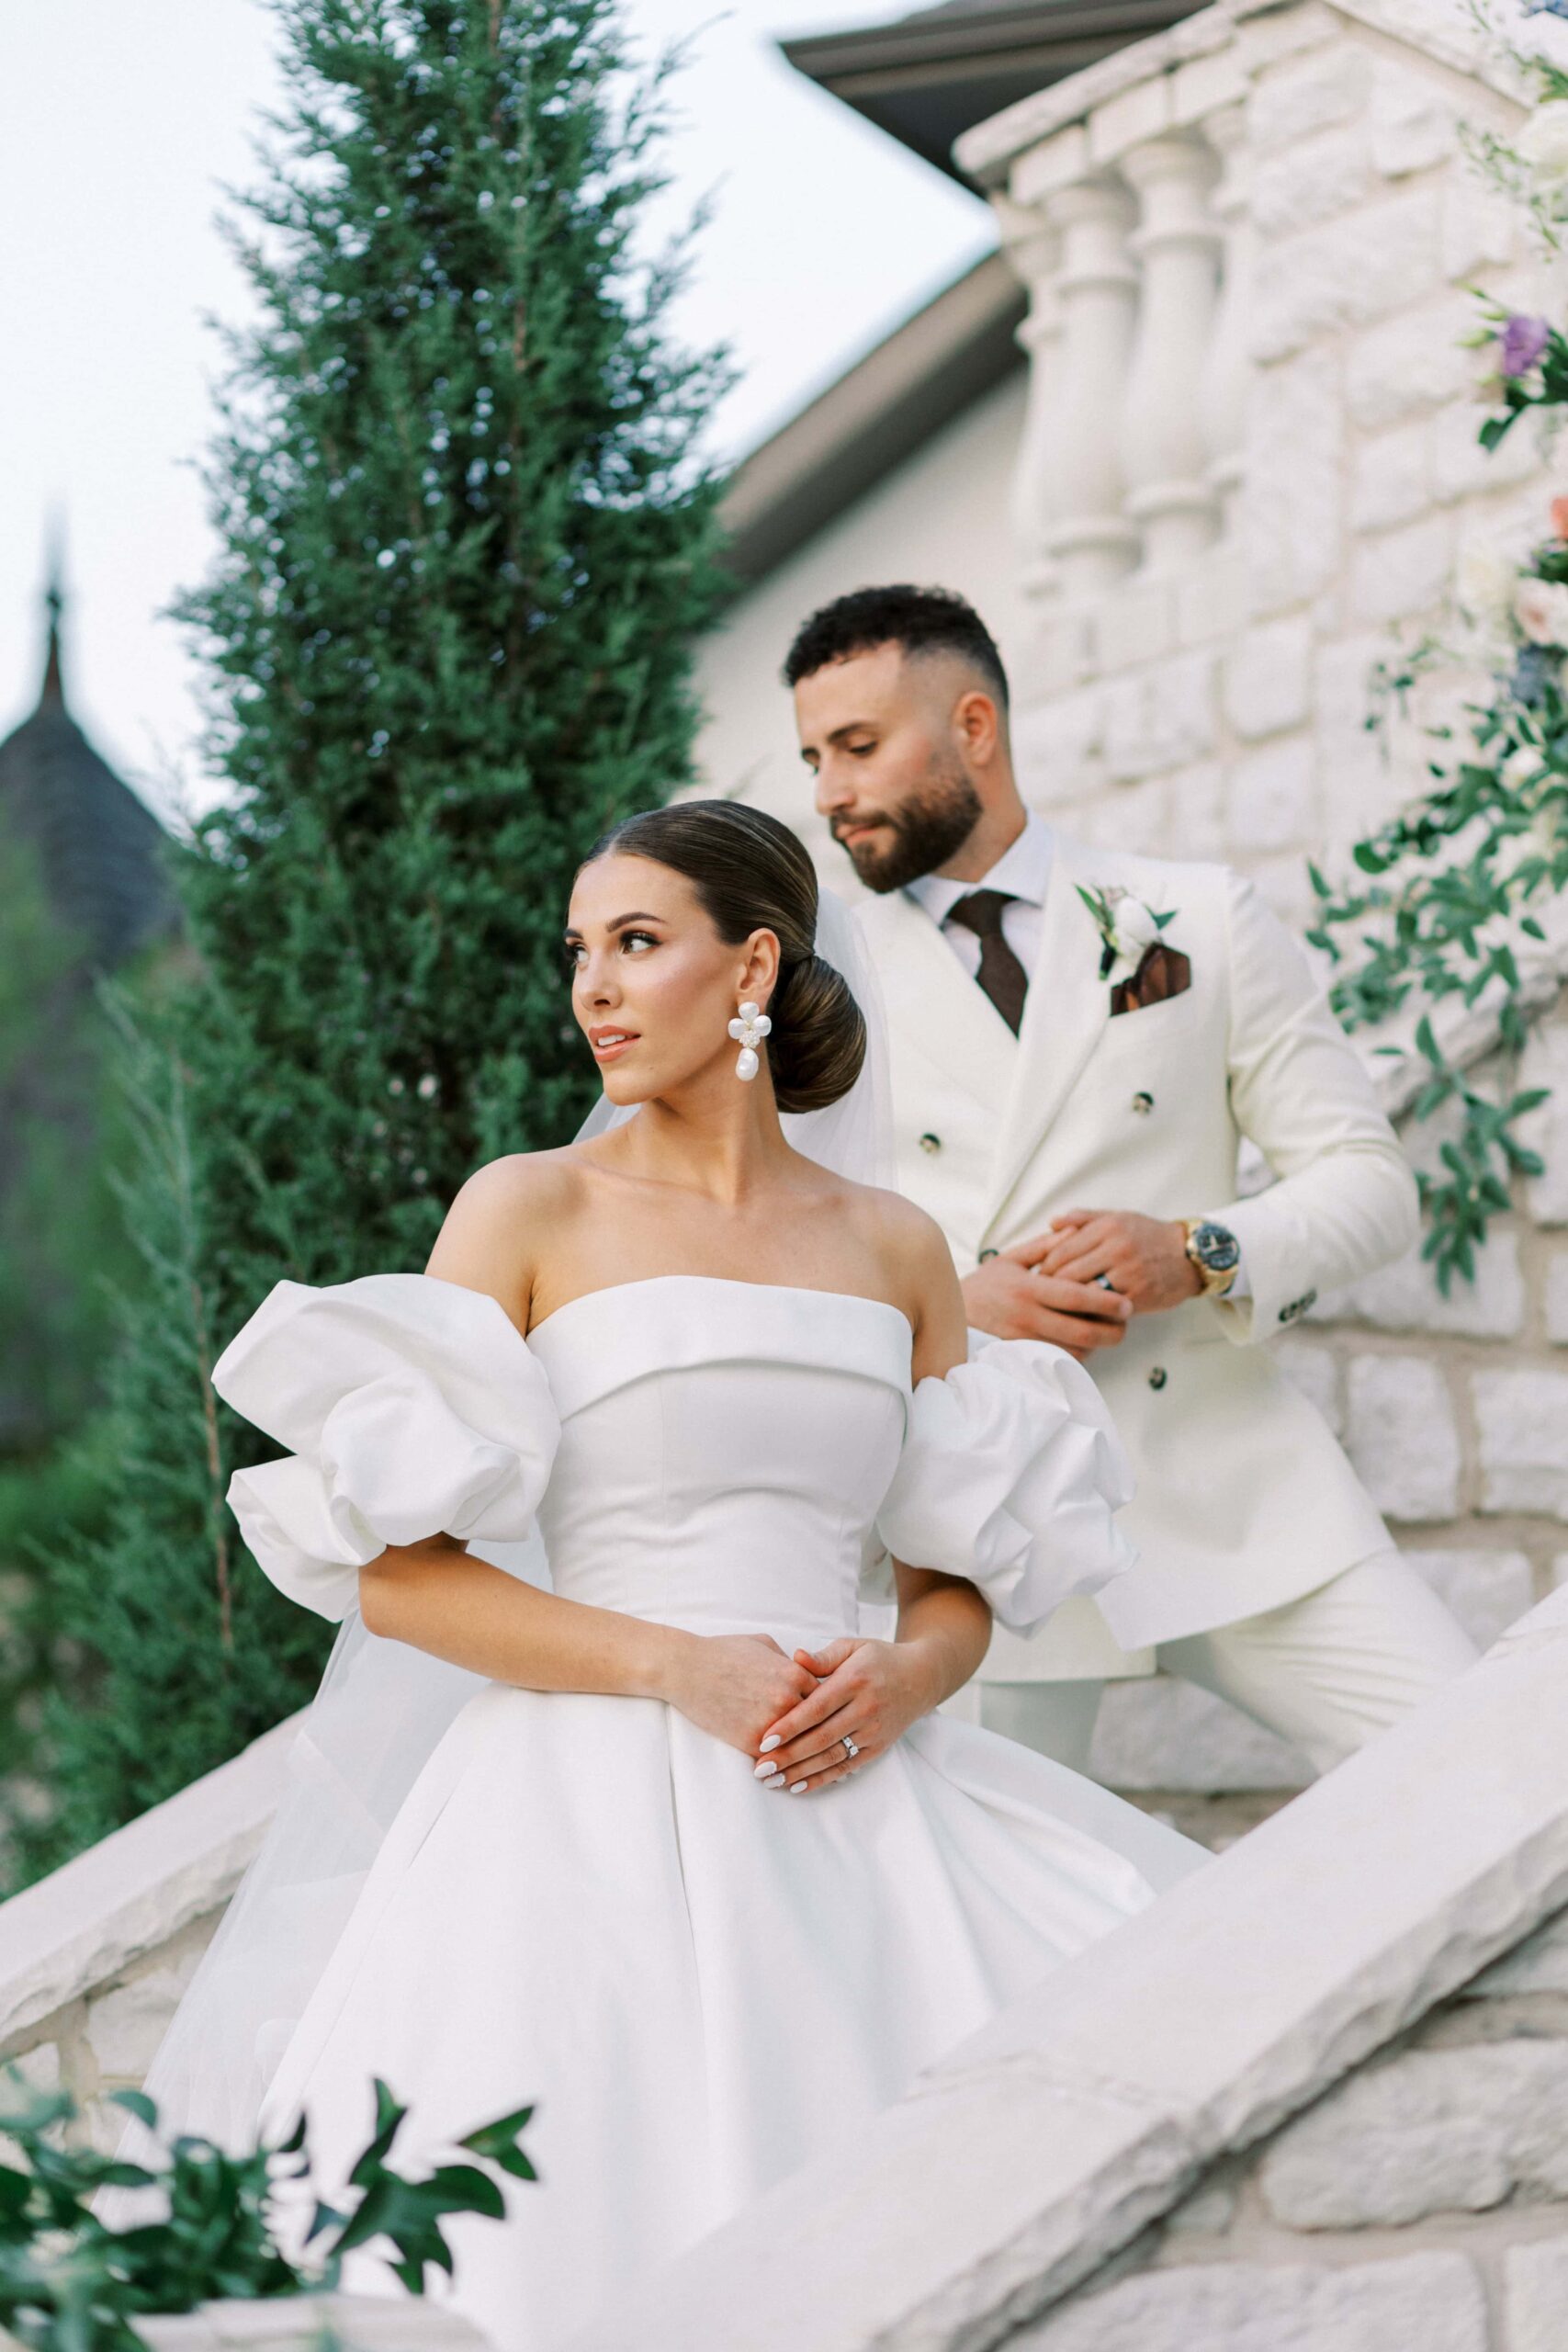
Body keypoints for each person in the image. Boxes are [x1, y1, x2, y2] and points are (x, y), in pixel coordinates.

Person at [136, 800, 1202, 2352]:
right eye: (581, 954)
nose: (595, 989)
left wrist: (904, 1677)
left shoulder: (897, 1246)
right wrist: (673, 1664)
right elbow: (405, 1581)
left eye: (637, 944)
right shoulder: (529, 1208)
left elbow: (952, 1577)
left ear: (753, 963)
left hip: (854, 1787)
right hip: (575, 1824)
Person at [787, 583, 1479, 1780]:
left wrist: (1200, 1250)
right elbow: (776, 1248)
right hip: (977, 1533)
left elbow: (1370, 1183)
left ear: (973, 728)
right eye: (813, 756)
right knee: (981, 1926)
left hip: (1232, 1492)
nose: (829, 793)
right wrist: (955, 1306)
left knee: (1497, 1774)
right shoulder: (818, 985)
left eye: (857, 747)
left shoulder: (1198, 918)